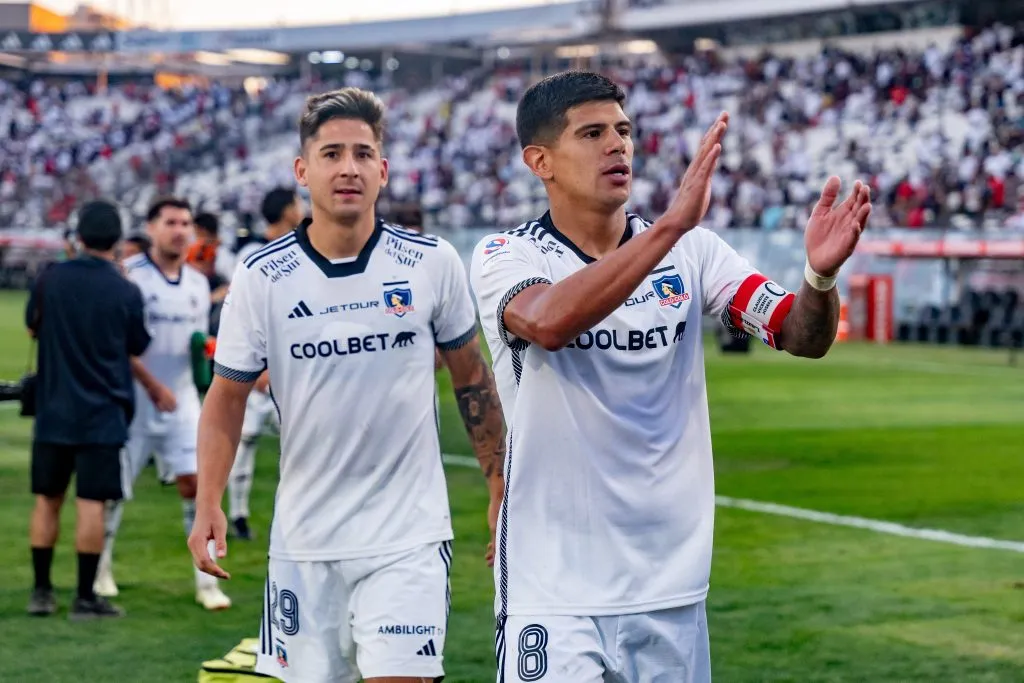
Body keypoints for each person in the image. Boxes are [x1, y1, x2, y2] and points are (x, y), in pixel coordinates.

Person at [469, 71, 871, 682]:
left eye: (624, 130)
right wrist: (668, 228)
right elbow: (548, 322)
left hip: (671, 587)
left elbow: (800, 335)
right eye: (593, 133)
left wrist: (819, 277)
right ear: (540, 161)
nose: (618, 145)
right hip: (552, 586)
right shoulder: (508, 255)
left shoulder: (694, 253)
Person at [188, 87, 507, 683]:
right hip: (304, 539)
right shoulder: (262, 276)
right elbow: (226, 397)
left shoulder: (432, 262)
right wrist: (209, 501)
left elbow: (473, 379)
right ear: (302, 171)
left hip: (408, 535)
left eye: (363, 154)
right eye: (331, 154)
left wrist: (498, 485)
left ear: (382, 171)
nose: (348, 168)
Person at [95, 197, 232, 611]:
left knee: (198, 486)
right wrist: (153, 386)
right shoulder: (130, 276)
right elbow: (118, 342)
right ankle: (101, 569)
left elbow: (196, 342)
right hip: (136, 400)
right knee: (115, 490)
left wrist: (207, 356)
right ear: (152, 228)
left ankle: (207, 582)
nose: (179, 230)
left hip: (183, 400)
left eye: (185, 223)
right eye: (170, 222)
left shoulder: (197, 283)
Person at [25, 199, 152, 620]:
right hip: (104, 410)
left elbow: (33, 326)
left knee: (47, 500)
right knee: (91, 503)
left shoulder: (51, 278)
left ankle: (41, 592)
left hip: (54, 407)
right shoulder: (125, 289)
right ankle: (84, 597)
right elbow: (138, 344)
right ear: (117, 240)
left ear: (78, 236)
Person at [224, 186, 303, 540]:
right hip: (260, 367)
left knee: (303, 442)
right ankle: (238, 515)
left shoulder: (302, 248)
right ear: (287, 210)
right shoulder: (254, 254)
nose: (302, 208)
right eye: (297, 203)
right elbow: (241, 314)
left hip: (295, 365)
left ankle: (298, 518)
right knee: (246, 440)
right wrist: (255, 365)